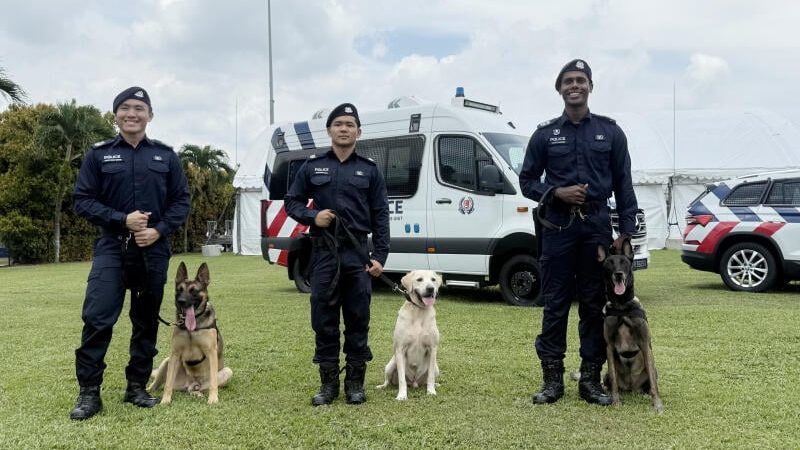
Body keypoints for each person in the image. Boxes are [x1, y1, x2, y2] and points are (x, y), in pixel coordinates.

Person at [519, 59, 638, 406]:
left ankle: (590, 380)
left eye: (581, 80)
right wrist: (556, 192)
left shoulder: (610, 132)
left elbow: (624, 183)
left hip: (596, 227)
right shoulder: (544, 134)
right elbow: (526, 181)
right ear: (560, 89)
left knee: (592, 304)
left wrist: (626, 231)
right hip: (557, 227)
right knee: (555, 304)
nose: (575, 86)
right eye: (568, 81)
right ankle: (552, 380)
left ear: (590, 87)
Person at [69, 87, 191, 420]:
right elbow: (83, 201)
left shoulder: (166, 156)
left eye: (139, 108)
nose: (132, 114)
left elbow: (181, 201)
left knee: (146, 320)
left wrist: (159, 230)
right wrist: (122, 219)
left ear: (150, 115)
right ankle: (89, 393)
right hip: (112, 247)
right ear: (116, 115)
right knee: (97, 317)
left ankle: (136, 387)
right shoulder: (98, 155)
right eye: (125, 108)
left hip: (153, 250)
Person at [284, 103, 390, 406]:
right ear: (329, 130)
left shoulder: (369, 169)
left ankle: (355, 384)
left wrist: (380, 256)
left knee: (358, 318)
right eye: (339, 124)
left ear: (359, 132)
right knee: (324, 319)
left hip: (357, 255)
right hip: (323, 253)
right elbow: (291, 202)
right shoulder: (312, 166)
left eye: (350, 124)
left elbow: (381, 214)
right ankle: (328, 384)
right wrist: (312, 216)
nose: (344, 129)